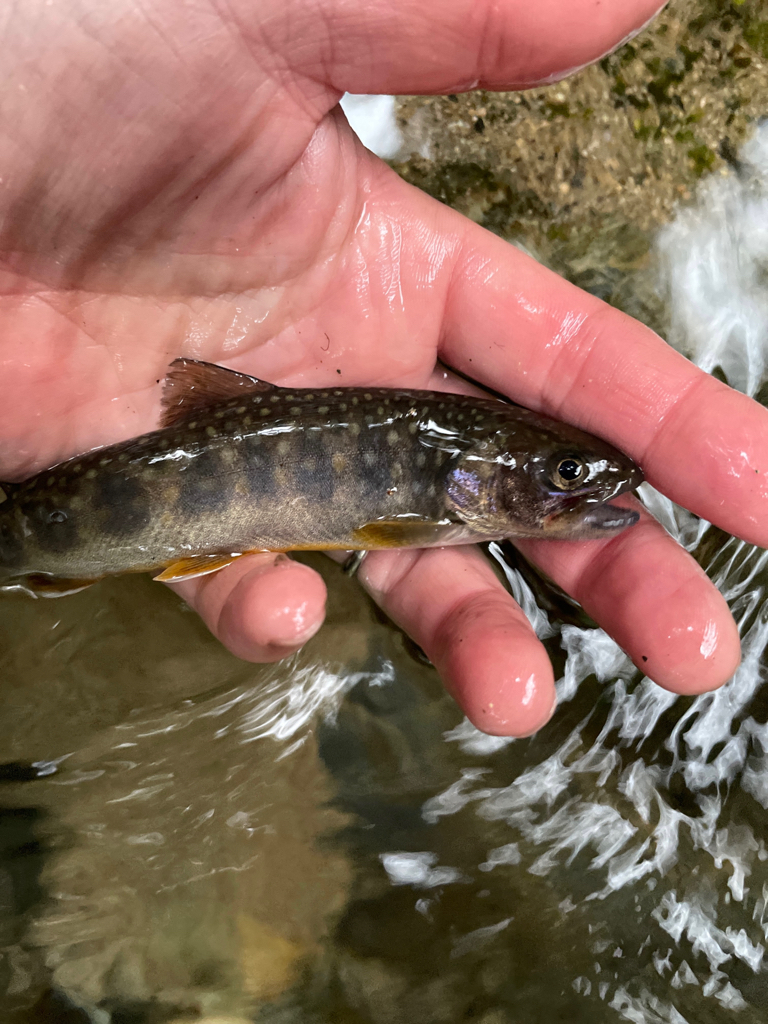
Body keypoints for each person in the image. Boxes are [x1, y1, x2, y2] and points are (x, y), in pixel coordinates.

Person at [0, 0, 763, 737]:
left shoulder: (449, 489)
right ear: (472, 471)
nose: (583, 487)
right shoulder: (428, 511)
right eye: (565, 472)